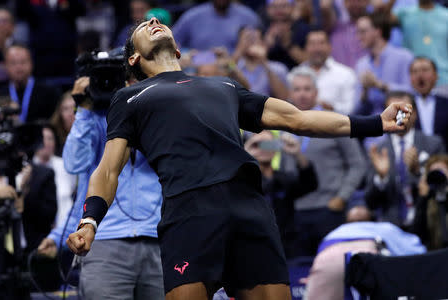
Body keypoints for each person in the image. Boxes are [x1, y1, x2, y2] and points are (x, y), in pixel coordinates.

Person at [66, 17, 412, 300]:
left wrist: (376, 123)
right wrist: (89, 222)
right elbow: (108, 169)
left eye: (156, 21)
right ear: (133, 60)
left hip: (249, 207)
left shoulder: (224, 87)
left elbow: (299, 119)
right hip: (190, 211)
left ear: (178, 48)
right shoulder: (130, 97)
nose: (153, 21)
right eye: (143, 26)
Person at [38, 77, 164, 300]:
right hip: (104, 240)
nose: (129, 85)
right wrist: (84, 110)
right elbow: (74, 164)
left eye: (136, 78)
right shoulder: (96, 121)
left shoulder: (161, 118)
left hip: (158, 238)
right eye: (124, 78)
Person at [282, 67, 367, 256]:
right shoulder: (281, 125)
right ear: (290, 93)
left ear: (316, 92)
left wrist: (342, 197)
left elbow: (357, 164)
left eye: (307, 89)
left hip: (329, 208)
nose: (302, 94)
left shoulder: (334, 121)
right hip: (293, 212)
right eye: (297, 89)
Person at [304, 205, 426, 300]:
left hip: (329, 261)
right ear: (370, 219)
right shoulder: (384, 227)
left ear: (347, 221)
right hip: (369, 256)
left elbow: (319, 258)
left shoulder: (334, 232)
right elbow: (417, 250)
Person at [366, 91, 445, 228]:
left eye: (401, 111)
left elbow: (442, 189)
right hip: (391, 227)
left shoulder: (433, 144)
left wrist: (418, 172)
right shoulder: (378, 150)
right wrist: (381, 178)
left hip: (428, 224)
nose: (397, 117)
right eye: (392, 111)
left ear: (414, 114)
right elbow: (370, 203)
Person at [244, 130, 318, 258]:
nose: (263, 149)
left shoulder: (283, 179)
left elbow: (310, 184)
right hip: (252, 243)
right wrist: (245, 153)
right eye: (257, 145)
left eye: (269, 144)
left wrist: (297, 154)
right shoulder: (242, 179)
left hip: (286, 244)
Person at [355, 12, 414, 115]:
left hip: (398, 121)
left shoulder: (404, 57)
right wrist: (365, 91)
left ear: (378, 31)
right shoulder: (361, 64)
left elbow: (413, 93)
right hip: (370, 125)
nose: (358, 37)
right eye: (358, 32)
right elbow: (356, 111)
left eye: (363, 32)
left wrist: (380, 85)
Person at [299, 29, 357, 114]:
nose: (317, 49)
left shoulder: (346, 74)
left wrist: (331, 107)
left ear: (330, 46)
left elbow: (352, 109)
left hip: (335, 124)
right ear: (306, 48)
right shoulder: (297, 73)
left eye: (321, 43)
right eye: (312, 44)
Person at [391, 0, 448, 86]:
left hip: (443, 78)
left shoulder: (446, 15)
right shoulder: (404, 13)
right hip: (412, 78)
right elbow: (383, 19)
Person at [0, 44, 60, 123]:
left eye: (23, 62)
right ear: (5, 66)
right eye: (13, 63)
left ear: (31, 63)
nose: (19, 67)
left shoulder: (49, 92)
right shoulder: (0, 93)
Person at [172, 0, 261, 53]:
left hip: (237, 74)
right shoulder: (192, 16)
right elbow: (171, 43)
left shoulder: (249, 17)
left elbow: (258, 49)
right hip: (198, 74)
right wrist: (186, 54)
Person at [233, 27, 289, 99]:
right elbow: (221, 78)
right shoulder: (234, 65)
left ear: (262, 42)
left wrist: (264, 62)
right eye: (246, 39)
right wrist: (238, 52)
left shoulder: (278, 68)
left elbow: (284, 97)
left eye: (253, 39)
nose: (250, 43)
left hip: (266, 108)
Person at [410, 57, 448, 148]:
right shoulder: (405, 105)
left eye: (425, 70)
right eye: (415, 71)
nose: (420, 75)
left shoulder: (446, 104)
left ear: (436, 75)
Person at [412, 154, 448, 250]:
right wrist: (422, 198)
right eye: (433, 172)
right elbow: (417, 234)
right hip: (435, 253)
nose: (437, 175)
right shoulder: (428, 201)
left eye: (441, 171)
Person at [321, 0, 369, 68]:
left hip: (366, 75)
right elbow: (325, 6)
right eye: (351, 1)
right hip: (339, 75)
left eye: (359, 0)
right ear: (344, 3)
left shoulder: (374, 26)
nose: (355, 4)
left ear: (367, 2)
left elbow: (379, 6)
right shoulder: (335, 26)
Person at [50, 91, 76, 155]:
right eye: (66, 109)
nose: (71, 113)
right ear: (60, 113)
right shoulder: (53, 136)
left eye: (75, 108)